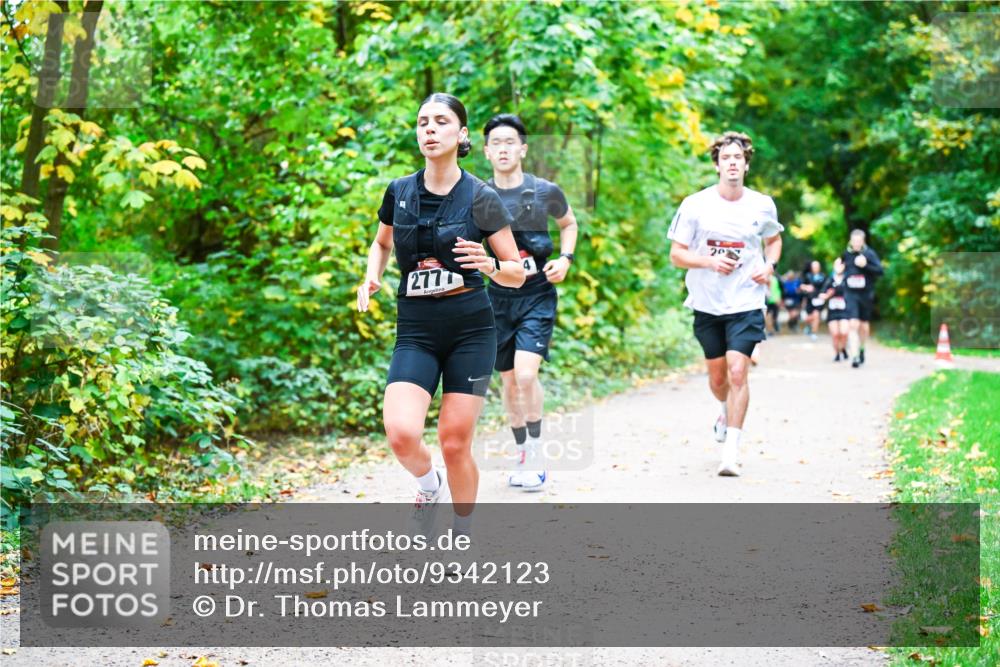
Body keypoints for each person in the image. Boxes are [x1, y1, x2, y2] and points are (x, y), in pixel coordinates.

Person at [357, 93, 525, 536]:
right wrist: (371, 276)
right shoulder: (400, 191)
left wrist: (489, 265)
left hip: (470, 331)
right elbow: (382, 242)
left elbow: (516, 273)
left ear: (462, 134)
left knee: (454, 443)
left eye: (440, 122)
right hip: (416, 330)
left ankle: (462, 528)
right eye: (422, 122)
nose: (429, 129)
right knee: (401, 433)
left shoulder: (481, 197)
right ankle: (428, 486)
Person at [668, 131, 783, 477]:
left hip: (746, 300)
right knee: (718, 378)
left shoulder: (762, 204)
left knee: (738, 371)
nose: (732, 163)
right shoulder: (695, 205)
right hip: (707, 302)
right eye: (726, 158)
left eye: (738, 158)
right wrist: (709, 262)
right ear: (717, 164)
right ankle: (723, 410)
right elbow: (676, 255)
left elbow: (773, 241)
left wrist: (769, 265)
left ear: (746, 165)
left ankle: (731, 451)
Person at [481, 114, 578, 491]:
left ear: (523, 148)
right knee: (507, 380)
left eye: (510, 142)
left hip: (536, 294)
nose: (504, 149)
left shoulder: (544, 191)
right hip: (496, 298)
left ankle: (536, 451)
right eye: (497, 143)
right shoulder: (479, 196)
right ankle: (521, 448)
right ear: (487, 151)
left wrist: (565, 260)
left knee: (525, 375)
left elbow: (568, 224)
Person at [841, 229, 883, 368]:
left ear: (863, 241)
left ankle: (862, 348)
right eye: (854, 241)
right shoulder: (846, 254)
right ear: (850, 241)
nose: (856, 244)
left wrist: (866, 265)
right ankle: (854, 356)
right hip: (850, 294)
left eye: (859, 241)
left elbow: (880, 271)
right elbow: (840, 269)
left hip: (866, 294)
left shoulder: (869, 254)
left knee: (864, 327)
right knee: (853, 324)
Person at [821, 257, 850, 361]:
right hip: (832, 311)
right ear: (834, 266)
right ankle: (837, 354)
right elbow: (821, 295)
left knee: (844, 332)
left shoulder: (848, 279)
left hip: (845, 310)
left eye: (841, 264)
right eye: (837, 264)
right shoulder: (829, 280)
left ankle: (843, 348)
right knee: (835, 334)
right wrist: (828, 295)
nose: (839, 267)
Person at [800, 260, 827, 340]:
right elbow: (801, 286)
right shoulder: (807, 276)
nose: (816, 268)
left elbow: (826, 286)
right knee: (809, 317)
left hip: (819, 299)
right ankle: (808, 325)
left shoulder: (823, 276)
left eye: (817, 266)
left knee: (816, 315)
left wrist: (824, 294)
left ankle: (814, 333)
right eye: (814, 266)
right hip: (810, 299)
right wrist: (806, 287)